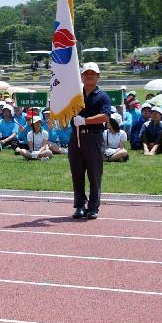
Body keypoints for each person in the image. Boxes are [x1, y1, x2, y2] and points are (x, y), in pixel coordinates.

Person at [69, 62, 112, 220]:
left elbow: (105, 116)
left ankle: (93, 207)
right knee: (77, 173)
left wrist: (85, 121)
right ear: (81, 76)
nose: (89, 76)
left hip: (93, 137)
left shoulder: (102, 96)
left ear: (98, 77)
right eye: (86, 73)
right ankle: (79, 205)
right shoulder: (76, 96)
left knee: (94, 173)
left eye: (92, 73)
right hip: (76, 137)